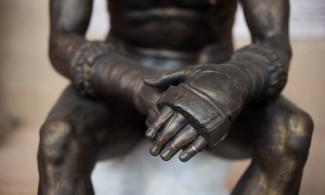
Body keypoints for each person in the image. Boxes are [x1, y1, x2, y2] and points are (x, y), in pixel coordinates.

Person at [38, 0, 314, 194]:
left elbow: (274, 42)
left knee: (292, 131)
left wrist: (230, 80)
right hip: (119, 85)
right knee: (59, 137)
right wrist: (135, 83)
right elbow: (63, 40)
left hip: (208, 84)